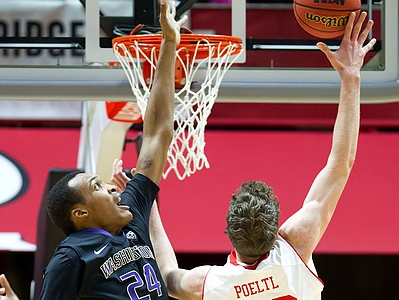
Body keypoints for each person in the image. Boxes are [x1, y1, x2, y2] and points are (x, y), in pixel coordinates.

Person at [113, 11, 377, 300]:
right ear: (277, 230)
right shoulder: (296, 243)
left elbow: (165, 275)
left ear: (228, 232)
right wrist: (350, 77)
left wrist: (144, 202)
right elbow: (341, 164)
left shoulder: (210, 282)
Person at [0, 1, 186, 299]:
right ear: (81, 213)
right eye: (97, 185)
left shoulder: (132, 216)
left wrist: (169, 43)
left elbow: (156, 136)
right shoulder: (70, 257)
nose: (113, 187)